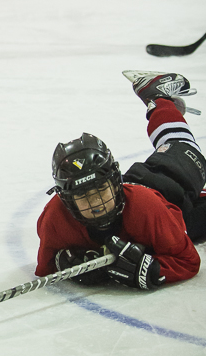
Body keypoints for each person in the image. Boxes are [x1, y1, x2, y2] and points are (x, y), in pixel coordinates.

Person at [36, 71, 206, 289]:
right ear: (67, 200)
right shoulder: (56, 218)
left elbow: (189, 262)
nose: (96, 203)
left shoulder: (145, 206)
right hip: (173, 222)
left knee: (182, 145)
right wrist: (64, 264)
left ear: (116, 182)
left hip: (167, 182)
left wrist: (152, 272)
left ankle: (157, 97)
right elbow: (46, 269)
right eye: (83, 195)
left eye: (101, 189)